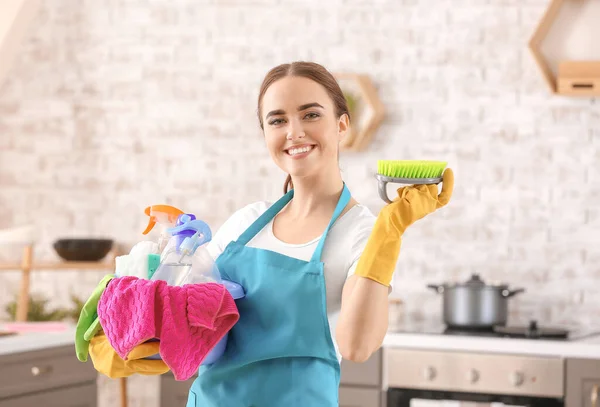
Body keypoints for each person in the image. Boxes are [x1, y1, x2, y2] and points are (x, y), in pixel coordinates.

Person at [186, 61, 454, 407]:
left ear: (342, 124)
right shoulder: (245, 223)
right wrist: (137, 335)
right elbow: (189, 321)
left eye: (310, 115)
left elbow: (357, 345)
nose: (294, 132)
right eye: (278, 120)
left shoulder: (363, 233)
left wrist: (391, 228)